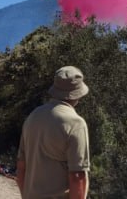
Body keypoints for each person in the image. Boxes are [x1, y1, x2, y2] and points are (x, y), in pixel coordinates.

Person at [16, 66, 91, 199]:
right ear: (78, 94)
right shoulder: (75, 123)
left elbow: (21, 168)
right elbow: (77, 177)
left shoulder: (33, 116)